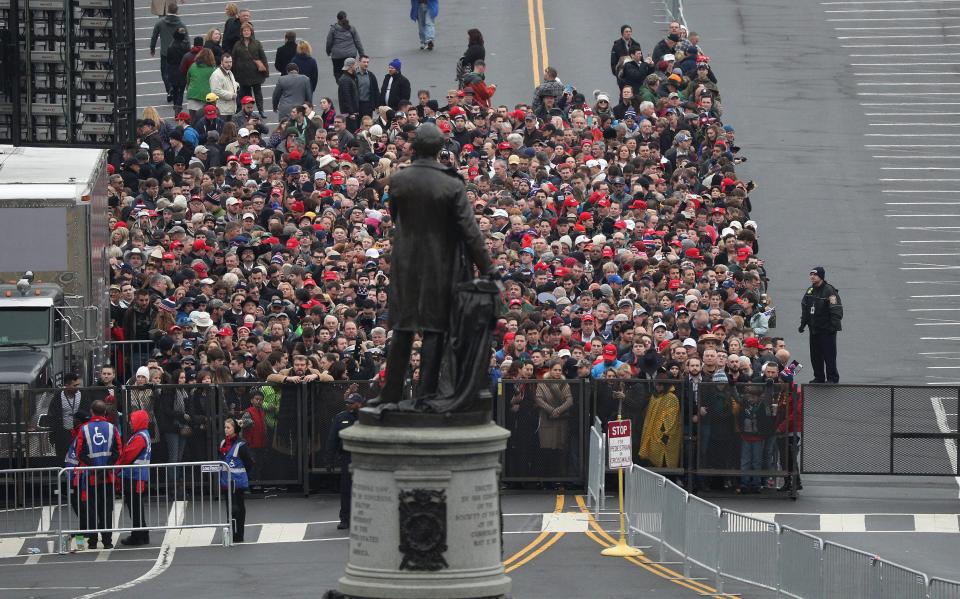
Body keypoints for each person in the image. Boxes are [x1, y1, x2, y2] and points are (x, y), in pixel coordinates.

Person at [374, 123, 494, 406]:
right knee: (434, 330)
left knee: (403, 329)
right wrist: (487, 268)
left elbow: (396, 217)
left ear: (415, 146)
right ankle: (426, 394)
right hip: (440, 265)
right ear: (441, 148)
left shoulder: (399, 179)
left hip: (405, 262)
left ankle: (389, 393)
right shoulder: (452, 183)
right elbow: (470, 230)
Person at [74, 400, 122, 550]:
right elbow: (118, 450)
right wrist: (106, 466)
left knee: (91, 509)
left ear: (92, 412)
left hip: (90, 475)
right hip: (107, 475)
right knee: (107, 509)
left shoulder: (84, 429)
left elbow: (79, 453)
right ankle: (107, 541)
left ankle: (93, 542)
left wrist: (93, 466)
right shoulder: (112, 428)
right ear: (105, 412)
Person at [799, 266, 842, 384]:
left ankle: (832, 378)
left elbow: (836, 308)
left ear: (821, 277)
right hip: (814, 330)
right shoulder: (810, 290)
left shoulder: (830, 290)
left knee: (829, 355)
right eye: (811, 274)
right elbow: (805, 307)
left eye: (815, 275)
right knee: (815, 355)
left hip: (827, 330)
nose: (812, 276)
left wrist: (833, 326)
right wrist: (803, 324)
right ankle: (819, 377)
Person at [326, 390, 362, 529]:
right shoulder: (340, 418)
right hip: (347, 456)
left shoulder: (367, 418)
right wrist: (330, 459)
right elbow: (332, 439)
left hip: (363, 457)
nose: (349, 406)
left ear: (359, 404)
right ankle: (345, 518)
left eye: (352, 404)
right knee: (346, 489)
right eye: (348, 403)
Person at [117, 409, 152, 546]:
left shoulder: (139, 437)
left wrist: (117, 467)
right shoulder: (143, 434)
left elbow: (128, 455)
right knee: (137, 506)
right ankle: (142, 534)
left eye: (132, 421)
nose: (131, 423)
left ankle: (137, 536)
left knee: (135, 507)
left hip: (133, 476)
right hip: (138, 476)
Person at [534, 359, 573, 476]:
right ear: (550, 370)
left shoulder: (564, 383)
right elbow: (538, 399)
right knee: (546, 450)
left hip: (561, 421)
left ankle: (559, 477)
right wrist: (551, 410)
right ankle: (546, 477)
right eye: (555, 370)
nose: (557, 372)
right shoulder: (542, 383)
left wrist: (558, 410)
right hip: (547, 420)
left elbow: (569, 400)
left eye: (559, 370)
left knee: (560, 450)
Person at [220, 417, 252, 543]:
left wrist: (243, 475)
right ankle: (231, 533)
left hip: (237, 482)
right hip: (226, 482)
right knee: (229, 508)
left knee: (238, 507)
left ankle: (239, 534)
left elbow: (248, 463)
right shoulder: (223, 443)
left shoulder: (241, 444)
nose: (226, 430)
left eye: (228, 427)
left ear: (235, 429)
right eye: (225, 427)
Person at [150, 1, 186, 103]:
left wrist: (152, 49)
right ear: (177, 11)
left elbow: (154, 36)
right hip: (179, 51)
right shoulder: (181, 23)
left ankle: (169, 88)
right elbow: (186, 38)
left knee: (165, 72)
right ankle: (175, 91)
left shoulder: (160, 23)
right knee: (178, 71)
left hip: (165, 52)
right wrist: (187, 51)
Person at [48, 372, 91, 459]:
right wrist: (53, 435)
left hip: (80, 432)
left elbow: (88, 412)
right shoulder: (57, 397)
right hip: (63, 434)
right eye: (75, 385)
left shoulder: (83, 394)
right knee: (63, 457)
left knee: (81, 455)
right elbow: (52, 416)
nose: (77, 387)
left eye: (78, 385)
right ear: (67, 385)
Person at [231, 21, 269, 118]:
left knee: (258, 93)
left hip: (255, 73)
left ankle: (261, 110)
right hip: (242, 74)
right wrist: (233, 74)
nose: (246, 32)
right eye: (244, 30)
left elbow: (263, 57)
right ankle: (247, 111)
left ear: (251, 32)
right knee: (245, 95)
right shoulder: (237, 45)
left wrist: (266, 72)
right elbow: (234, 59)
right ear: (242, 32)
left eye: (248, 30)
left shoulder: (257, 43)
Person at [65, 408, 89, 552]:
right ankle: (84, 528)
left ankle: (85, 529)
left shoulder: (82, 432)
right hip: (74, 474)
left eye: (74, 419)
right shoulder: (78, 432)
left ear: (79, 421)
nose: (72, 421)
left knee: (79, 503)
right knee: (77, 503)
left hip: (78, 475)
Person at [326, 11, 363, 82]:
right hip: (351, 54)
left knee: (338, 73)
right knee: (351, 72)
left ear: (337, 19)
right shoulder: (351, 28)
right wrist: (362, 55)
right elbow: (357, 42)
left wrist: (328, 52)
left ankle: (342, 86)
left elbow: (329, 42)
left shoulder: (333, 29)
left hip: (337, 56)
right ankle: (351, 86)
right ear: (346, 18)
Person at [185, 48, 217, 120]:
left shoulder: (193, 66)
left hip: (192, 96)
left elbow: (188, 80)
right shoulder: (213, 69)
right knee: (203, 121)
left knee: (193, 121)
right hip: (205, 98)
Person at [209, 53, 239, 117]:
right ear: (221, 62)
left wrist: (236, 86)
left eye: (230, 62)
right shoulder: (216, 75)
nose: (229, 64)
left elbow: (228, 83)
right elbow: (215, 91)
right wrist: (231, 95)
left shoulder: (229, 72)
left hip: (229, 109)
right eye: (226, 62)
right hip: (222, 111)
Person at [337, 57, 360, 131]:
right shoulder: (345, 80)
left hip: (352, 113)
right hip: (349, 115)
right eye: (355, 64)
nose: (357, 66)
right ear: (351, 66)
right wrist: (351, 113)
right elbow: (346, 97)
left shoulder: (350, 78)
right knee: (351, 132)